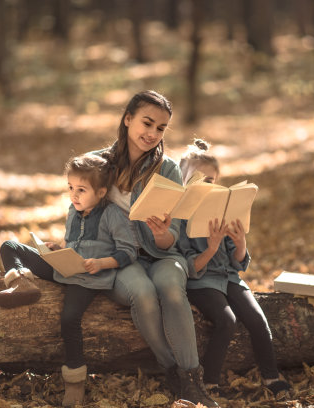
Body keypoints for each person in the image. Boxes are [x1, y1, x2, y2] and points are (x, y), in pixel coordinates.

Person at [94, 90, 219, 407]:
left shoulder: (169, 170)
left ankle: (192, 379)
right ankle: (172, 368)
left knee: (171, 289)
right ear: (127, 119)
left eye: (161, 128)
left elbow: (172, 238)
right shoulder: (99, 165)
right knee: (144, 293)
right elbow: (81, 213)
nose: (152, 133)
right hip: (121, 260)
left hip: (163, 255)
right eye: (147, 123)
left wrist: (161, 232)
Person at [0, 153, 137, 407]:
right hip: (64, 267)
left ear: (102, 192)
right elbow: (72, 241)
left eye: (81, 190)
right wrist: (56, 247)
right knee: (9, 246)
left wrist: (102, 263)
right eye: (71, 188)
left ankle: (75, 381)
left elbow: (128, 251)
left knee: (70, 318)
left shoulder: (112, 215)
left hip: (88, 278)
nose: (74, 195)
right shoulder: (74, 209)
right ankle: (20, 283)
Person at [177, 139, 292, 397]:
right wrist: (210, 247)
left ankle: (271, 376)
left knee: (258, 320)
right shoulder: (179, 216)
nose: (207, 185)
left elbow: (238, 261)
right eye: (199, 180)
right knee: (226, 320)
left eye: (212, 181)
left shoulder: (220, 208)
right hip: (201, 281)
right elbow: (188, 266)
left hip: (228, 277)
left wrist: (240, 242)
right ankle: (209, 382)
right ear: (183, 179)